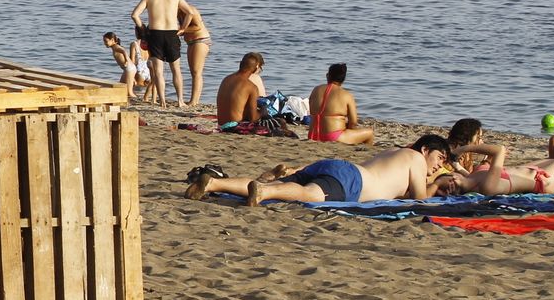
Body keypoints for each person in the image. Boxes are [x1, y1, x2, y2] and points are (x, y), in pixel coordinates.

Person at [187, 135, 452, 206]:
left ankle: (212, 185)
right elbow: (420, 199)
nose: (439, 165)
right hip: (352, 182)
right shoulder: (416, 158)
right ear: (426, 149)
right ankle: (265, 191)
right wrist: (438, 184)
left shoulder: (396, 152)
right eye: (439, 158)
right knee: (308, 194)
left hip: (338, 166)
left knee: (291, 184)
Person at [129, 0, 194, 107]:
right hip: (172, 33)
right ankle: (181, 100)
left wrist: (142, 29)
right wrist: (183, 28)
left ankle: (163, 101)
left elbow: (135, 15)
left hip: (155, 34)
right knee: (176, 69)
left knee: (158, 71)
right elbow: (190, 12)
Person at [439, 133, 554, 196]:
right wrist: (463, 149)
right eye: (451, 178)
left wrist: (457, 166)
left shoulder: (472, 179)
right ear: (456, 181)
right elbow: (499, 150)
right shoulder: (488, 187)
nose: (453, 175)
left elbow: (471, 178)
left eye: (450, 174)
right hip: (542, 181)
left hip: (530, 170)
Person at [308, 63, 375, 145]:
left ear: (327, 76)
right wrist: (348, 130)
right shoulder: (347, 95)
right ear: (343, 79)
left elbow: (312, 111)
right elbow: (353, 123)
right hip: (333, 137)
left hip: (313, 135)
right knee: (369, 133)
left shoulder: (316, 89)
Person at [214, 52, 266, 127]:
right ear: (257, 67)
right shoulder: (251, 87)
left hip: (221, 124)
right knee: (279, 122)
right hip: (234, 126)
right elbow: (253, 118)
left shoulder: (226, 79)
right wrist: (263, 112)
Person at [180, 1, 213, 107]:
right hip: (191, 42)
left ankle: (194, 101)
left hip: (200, 40)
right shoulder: (178, 13)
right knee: (193, 72)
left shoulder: (190, 10)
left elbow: (197, 27)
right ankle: (193, 99)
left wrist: (181, 29)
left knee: (196, 72)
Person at [103, 32, 148, 98]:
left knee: (129, 92)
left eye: (106, 41)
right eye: (104, 41)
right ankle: (121, 98)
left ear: (112, 40)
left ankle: (138, 100)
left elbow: (123, 51)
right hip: (128, 69)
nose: (104, 43)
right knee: (120, 87)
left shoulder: (115, 47)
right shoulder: (114, 47)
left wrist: (126, 60)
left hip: (129, 69)